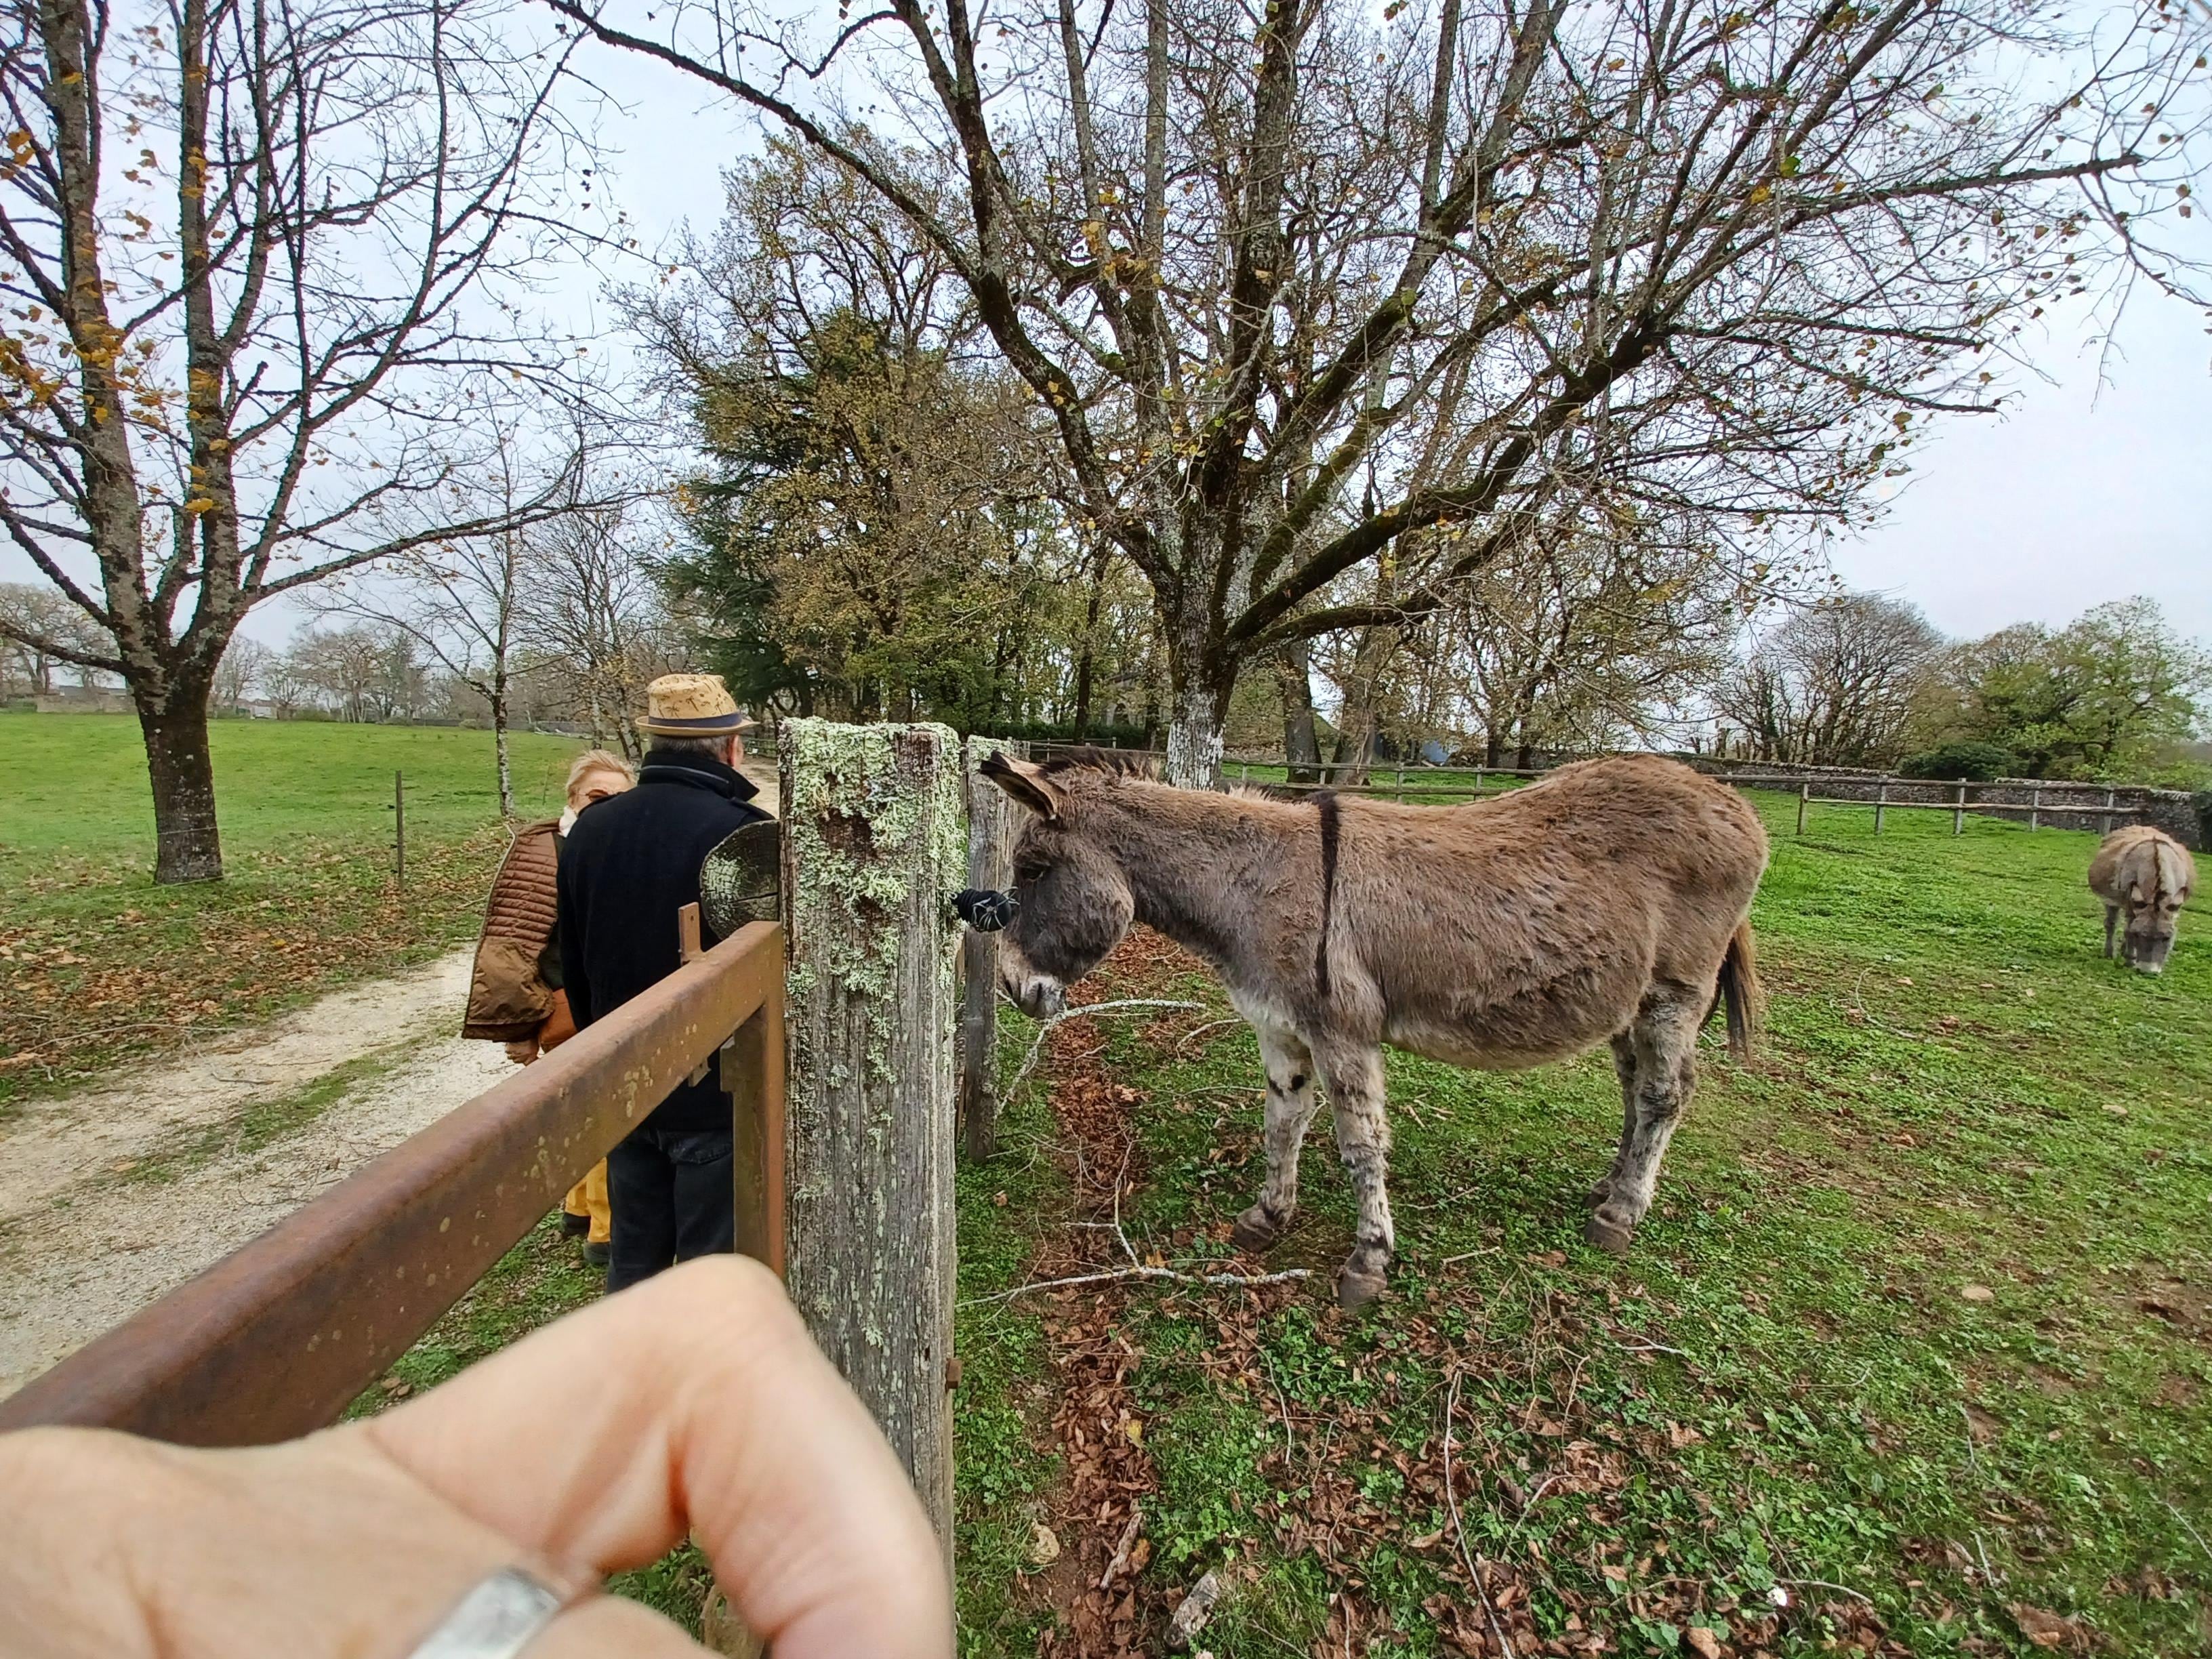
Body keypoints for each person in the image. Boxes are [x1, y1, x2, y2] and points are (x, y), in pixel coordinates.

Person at [0, 1257, 951, 1657]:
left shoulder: (582, 846)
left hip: (645, 1087)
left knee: (642, 1218)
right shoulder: (721, 835)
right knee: (702, 1216)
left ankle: (617, 1302)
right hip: (709, 1100)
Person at [558, 675, 771, 1292]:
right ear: (730, 749)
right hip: (710, 1095)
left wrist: (601, 1051)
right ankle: (698, 1384)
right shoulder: (744, 833)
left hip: (622, 1083)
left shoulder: (589, 831)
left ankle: (631, 1376)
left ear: (653, 743)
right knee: (708, 1271)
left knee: (634, 1260)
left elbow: (574, 961)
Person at [464, 749, 636, 1266]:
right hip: (568, 1000)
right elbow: (510, 943)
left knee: (582, 1108)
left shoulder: (608, 847)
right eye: (596, 797)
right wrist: (519, 1026)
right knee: (610, 1110)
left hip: (589, 996)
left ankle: (579, 1206)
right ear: (573, 798)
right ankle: (606, 1233)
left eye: (618, 800)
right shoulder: (549, 851)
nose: (605, 808)